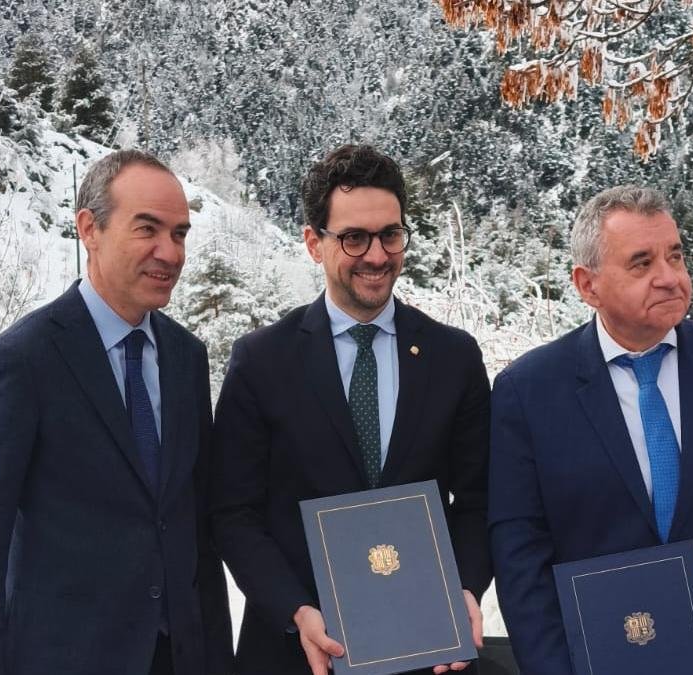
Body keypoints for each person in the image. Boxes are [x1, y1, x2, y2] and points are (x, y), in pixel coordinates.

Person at [488, 185, 693, 675]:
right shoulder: (529, 391)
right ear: (588, 285)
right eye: (642, 264)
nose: (670, 278)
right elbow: (519, 551)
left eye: (676, 256)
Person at [0, 149, 233, 675]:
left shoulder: (187, 357)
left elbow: (192, 529)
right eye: (148, 229)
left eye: (180, 233)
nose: (170, 252)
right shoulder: (22, 360)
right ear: (88, 229)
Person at [210, 144, 492, 675]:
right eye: (354, 238)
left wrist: (465, 589)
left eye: (390, 234)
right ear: (314, 243)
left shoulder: (453, 357)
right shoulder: (262, 361)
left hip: (425, 648)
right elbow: (233, 513)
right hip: (298, 653)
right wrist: (295, 611)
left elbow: (479, 500)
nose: (378, 255)